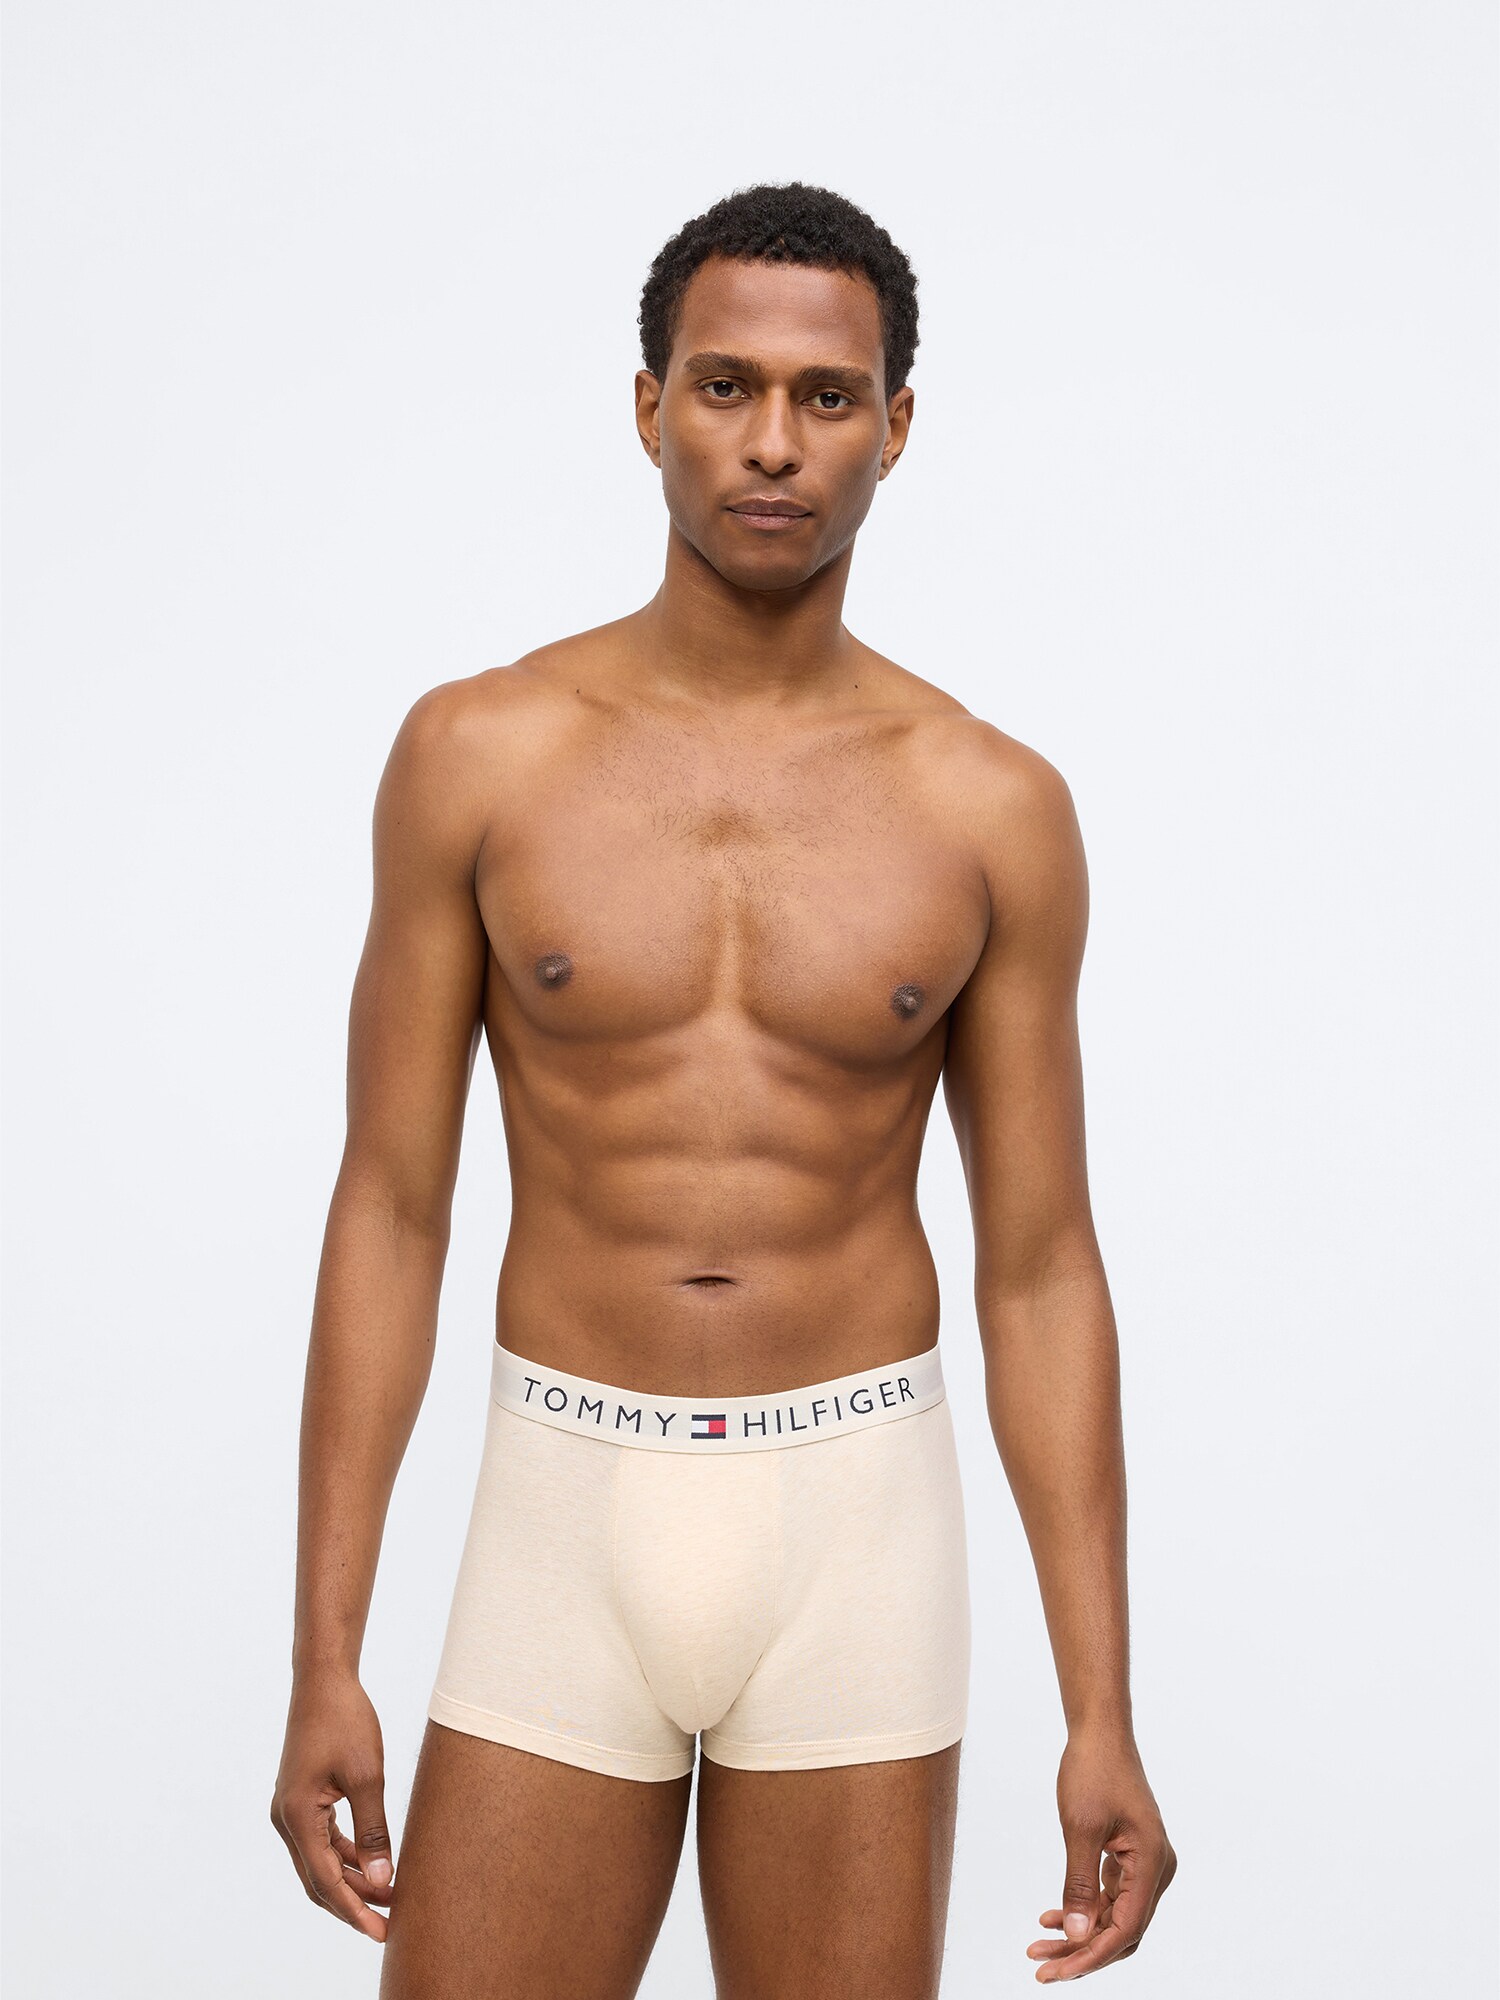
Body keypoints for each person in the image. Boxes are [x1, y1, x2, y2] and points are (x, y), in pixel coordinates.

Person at [270, 180, 1176, 1997]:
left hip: (854, 1517)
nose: (774, 443)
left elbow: (1039, 1265)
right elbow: (392, 1203)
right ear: (649, 408)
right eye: (726, 386)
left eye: (827, 397)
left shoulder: (991, 806)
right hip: (563, 1500)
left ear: (895, 428)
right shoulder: (480, 754)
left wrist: (1103, 1708)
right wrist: (322, 1656)